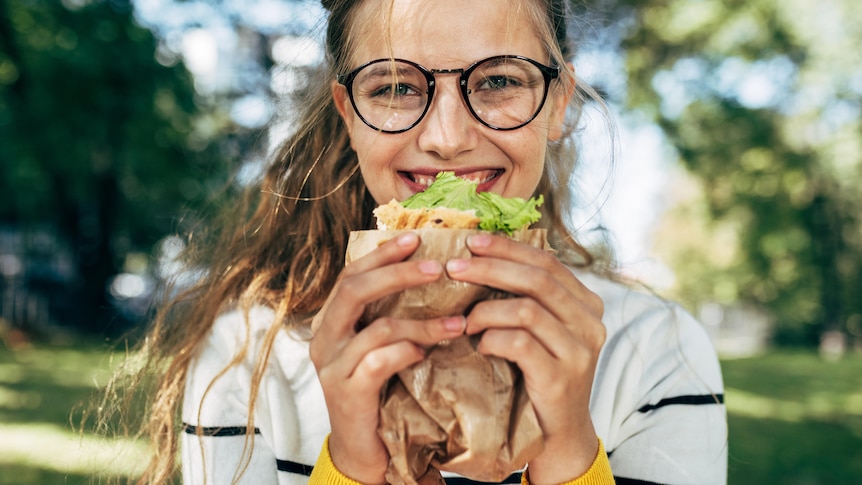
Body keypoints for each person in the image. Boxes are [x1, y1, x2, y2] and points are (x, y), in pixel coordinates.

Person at [111, 0, 727, 483]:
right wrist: (352, 468)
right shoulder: (244, 359)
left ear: (558, 101)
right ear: (349, 113)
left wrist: (568, 452)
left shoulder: (655, 352)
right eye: (397, 87)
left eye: (498, 81)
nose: (448, 138)